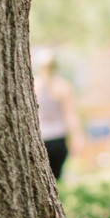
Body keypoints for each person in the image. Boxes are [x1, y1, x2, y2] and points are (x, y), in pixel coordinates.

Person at [32, 48, 84, 181]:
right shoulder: (63, 86)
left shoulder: (34, 85)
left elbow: (70, 114)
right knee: (56, 179)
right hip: (56, 139)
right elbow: (70, 115)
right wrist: (76, 137)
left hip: (42, 138)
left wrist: (76, 137)